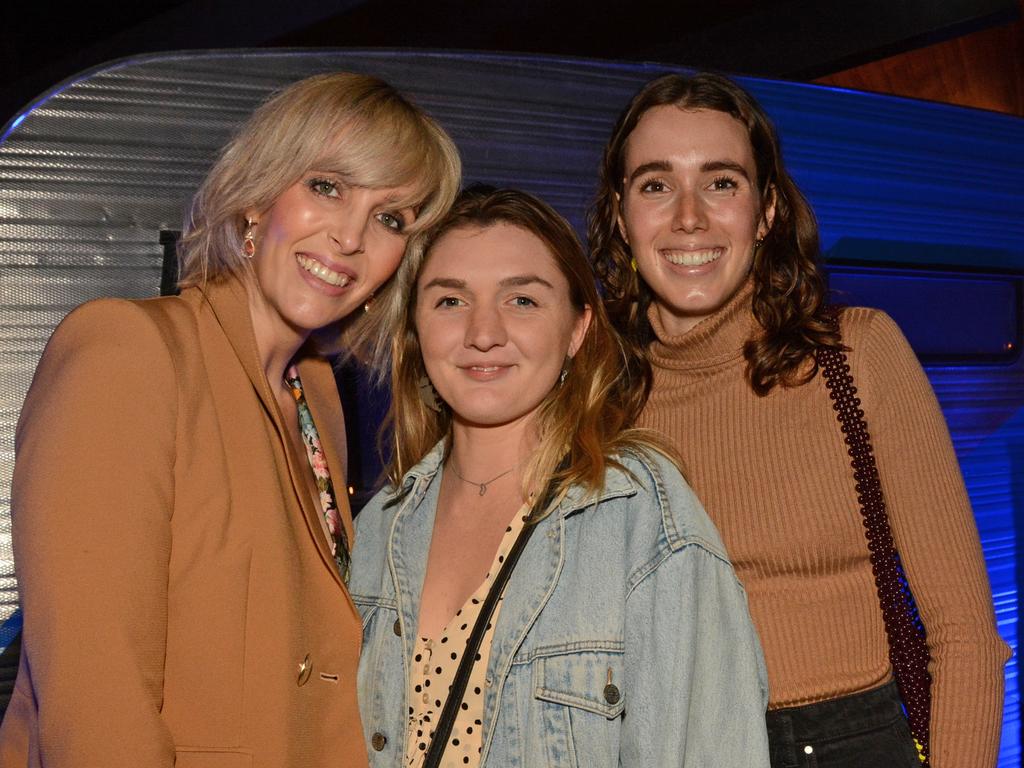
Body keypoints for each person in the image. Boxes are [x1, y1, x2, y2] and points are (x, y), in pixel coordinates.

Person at [0, 72, 460, 768]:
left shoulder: (316, 399)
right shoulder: (128, 350)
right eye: (327, 187)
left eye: (391, 218)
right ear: (254, 200)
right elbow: (95, 693)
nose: (350, 237)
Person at [589, 71, 1011, 767]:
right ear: (621, 214)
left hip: (850, 743)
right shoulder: (595, 395)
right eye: (656, 185)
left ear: (767, 213)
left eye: (721, 182)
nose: (689, 216)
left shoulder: (857, 354)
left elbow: (964, 632)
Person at [349, 186, 770, 767]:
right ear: (417, 332)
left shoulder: (641, 516)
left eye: (522, 300)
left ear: (576, 331)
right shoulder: (379, 528)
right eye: (450, 301)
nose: (483, 332)